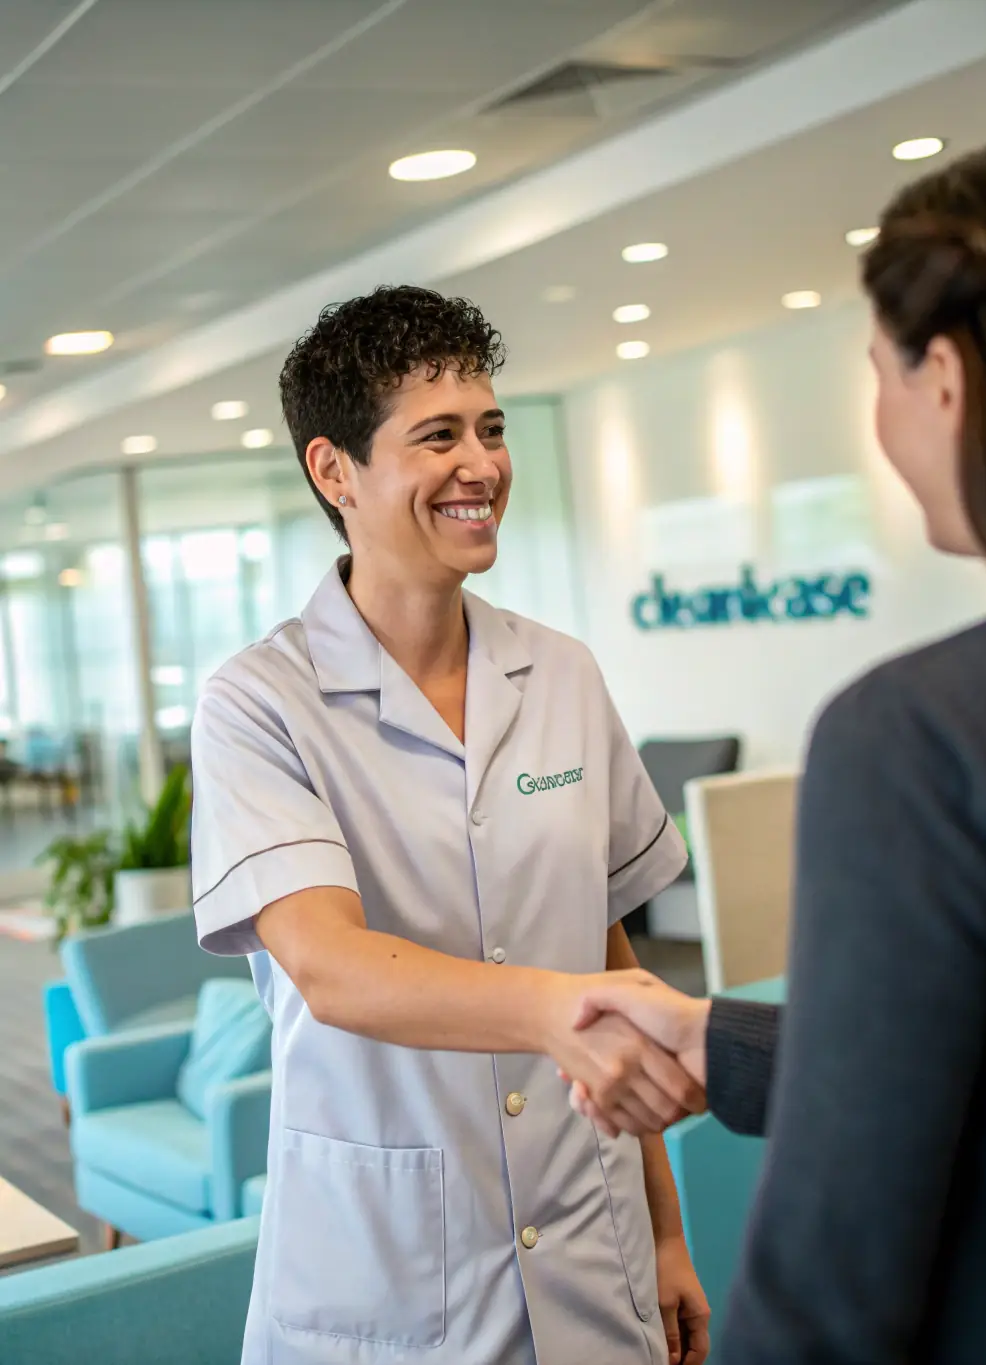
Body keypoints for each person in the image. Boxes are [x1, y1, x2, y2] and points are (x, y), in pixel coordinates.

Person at [563, 131, 986, 1365]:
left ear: (945, 382)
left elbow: (840, 1258)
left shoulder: (920, 737)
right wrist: (727, 1042)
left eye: (877, 368)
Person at [189, 286, 710, 1365]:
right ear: (333, 471)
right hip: (385, 1281)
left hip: (587, 1240)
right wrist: (559, 1012)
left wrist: (665, 1227)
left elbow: (604, 944)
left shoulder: (560, 673)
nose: (481, 465)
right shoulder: (259, 703)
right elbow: (331, 967)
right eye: (438, 436)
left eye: (491, 428)